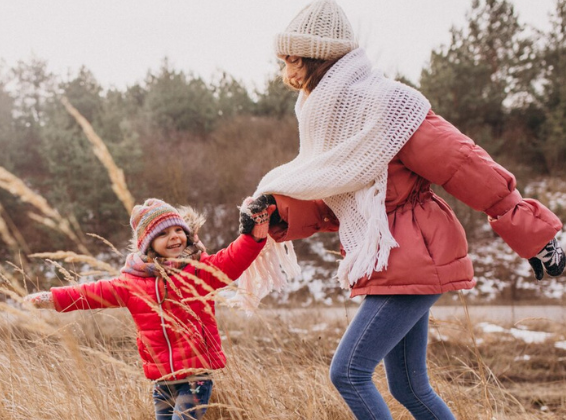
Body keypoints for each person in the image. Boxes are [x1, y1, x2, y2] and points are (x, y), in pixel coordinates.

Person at [237, 1, 566, 419]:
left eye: (293, 59)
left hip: (414, 252)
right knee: (409, 386)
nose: (287, 72)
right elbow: (336, 197)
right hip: (386, 254)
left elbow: (462, 164)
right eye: (283, 60)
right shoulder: (324, 115)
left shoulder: (388, 106)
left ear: (320, 58)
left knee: (349, 374)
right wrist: (278, 210)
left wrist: (535, 234)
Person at [23, 198, 273, 420]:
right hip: (162, 381)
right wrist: (51, 298)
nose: (175, 237)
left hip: (195, 378)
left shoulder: (198, 270)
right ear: (148, 244)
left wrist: (254, 236)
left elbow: (232, 260)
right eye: (164, 234)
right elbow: (89, 294)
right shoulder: (132, 283)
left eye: (179, 230)